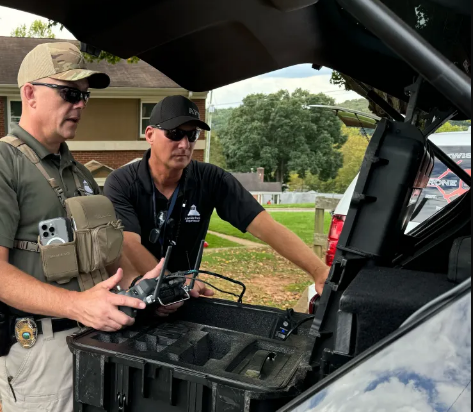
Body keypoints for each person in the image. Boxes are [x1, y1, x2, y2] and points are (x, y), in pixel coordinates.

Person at [0, 42, 161, 412]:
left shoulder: (77, 171)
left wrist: (142, 289)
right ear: (29, 94)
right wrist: (77, 306)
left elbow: (95, 261)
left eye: (84, 95)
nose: (79, 105)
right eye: (68, 92)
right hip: (40, 351)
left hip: (92, 339)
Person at [103, 95, 329, 312]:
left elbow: (265, 226)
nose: (184, 144)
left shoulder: (211, 179)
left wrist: (319, 271)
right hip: (135, 295)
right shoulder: (122, 182)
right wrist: (170, 286)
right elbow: (128, 244)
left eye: (192, 136)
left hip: (184, 296)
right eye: (174, 133)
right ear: (150, 134)